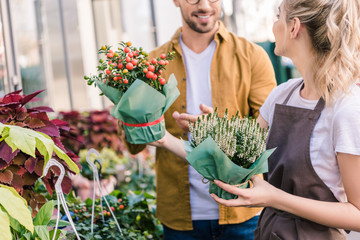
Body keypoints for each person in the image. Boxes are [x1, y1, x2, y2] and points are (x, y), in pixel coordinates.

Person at [120, 0, 276, 239]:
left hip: (242, 211)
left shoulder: (252, 56)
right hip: (180, 218)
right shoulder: (151, 64)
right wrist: (129, 113)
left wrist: (219, 127)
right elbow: (134, 145)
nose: (204, 5)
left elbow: (270, 135)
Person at [206, 0, 360, 239]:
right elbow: (240, 156)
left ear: (294, 27)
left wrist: (275, 198)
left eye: (279, 16)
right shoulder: (282, 95)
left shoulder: (346, 108)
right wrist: (200, 131)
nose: (274, 25)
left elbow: (358, 214)